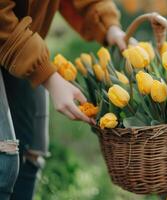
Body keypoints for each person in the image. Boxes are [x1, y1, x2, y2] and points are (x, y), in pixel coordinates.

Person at [0, 0, 127, 199]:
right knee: (3, 164)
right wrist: (49, 77)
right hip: (7, 31)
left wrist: (109, 27)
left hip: (23, 39)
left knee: (30, 154)